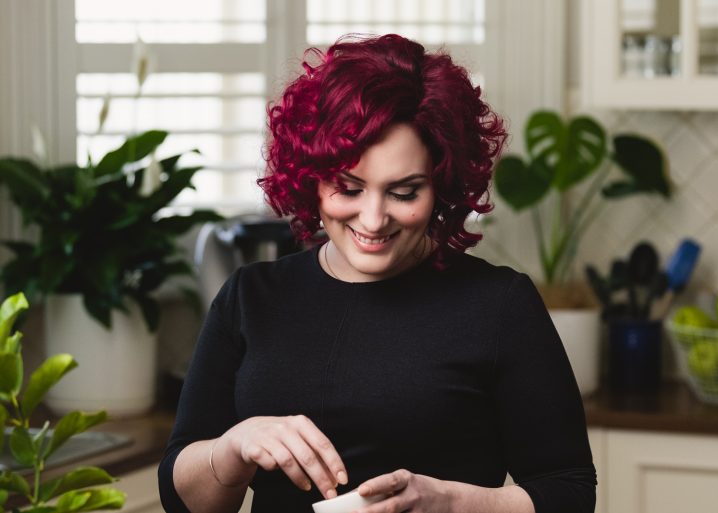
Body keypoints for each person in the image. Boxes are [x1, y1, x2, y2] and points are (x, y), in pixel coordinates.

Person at [158, 34, 597, 513]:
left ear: (442, 184)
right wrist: (234, 447)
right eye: (348, 189)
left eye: (404, 193)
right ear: (312, 179)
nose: (373, 220)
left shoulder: (499, 305)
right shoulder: (251, 297)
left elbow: (570, 491)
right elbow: (181, 499)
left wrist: (451, 502)